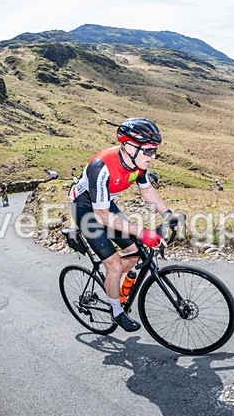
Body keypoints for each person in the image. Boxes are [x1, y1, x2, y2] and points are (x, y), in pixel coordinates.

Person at [68, 118, 178, 332]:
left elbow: (147, 191)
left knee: (136, 253)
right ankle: (116, 311)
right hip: (85, 210)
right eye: (148, 150)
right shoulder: (101, 166)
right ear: (129, 146)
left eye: (154, 150)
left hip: (105, 206)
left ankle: (113, 282)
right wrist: (142, 232)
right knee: (115, 265)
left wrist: (167, 214)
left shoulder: (138, 163)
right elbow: (101, 216)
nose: (152, 156)